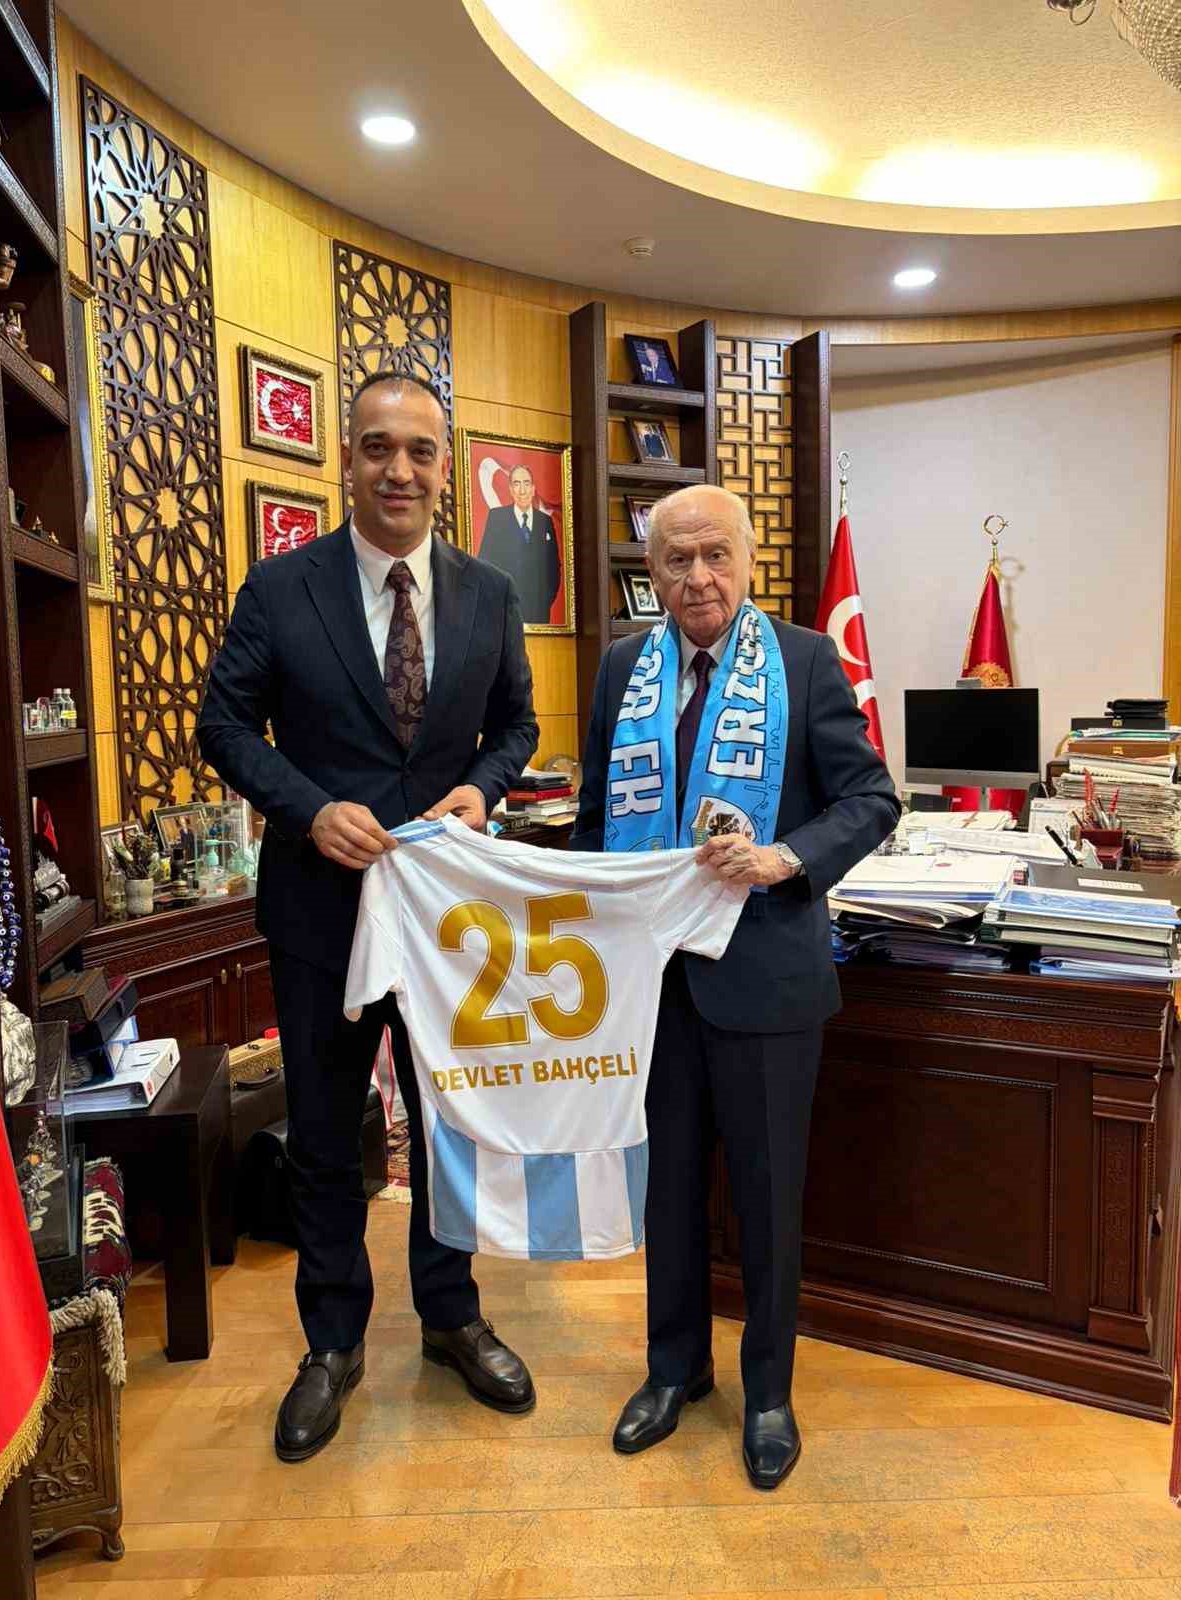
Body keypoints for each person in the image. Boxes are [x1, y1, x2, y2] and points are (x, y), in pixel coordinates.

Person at [198, 371, 540, 1463]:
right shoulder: (279, 588)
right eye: (378, 447)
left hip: (447, 921)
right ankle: (332, 1341)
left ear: (447, 465)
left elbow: (518, 726)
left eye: (421, 451)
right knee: (326, 1136)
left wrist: (482, 787)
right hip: (321, 912)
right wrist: (306, 808)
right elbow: (223, 724)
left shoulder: (490, 593)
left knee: (450, 1128)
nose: (400, 470)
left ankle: (451, 1316)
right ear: (345, 459)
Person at [571, 484, 898, 1490]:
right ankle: (675, 1370)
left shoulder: (804, 660)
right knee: (667, 1192)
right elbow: (595, 817)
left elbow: (871, 798)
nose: (699, 577)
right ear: (652, 573)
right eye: (677, 559)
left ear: (748, 560)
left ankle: (768, 1394)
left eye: (716, 554)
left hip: (765, 976)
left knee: (765, 1197)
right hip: (653, 981)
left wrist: (784, 858)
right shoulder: (623, 667)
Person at [477, 464, 561, 624]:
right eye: (516, 484)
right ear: (510, 489)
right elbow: (485, 564)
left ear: (533, 489)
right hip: (504, 612)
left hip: (538, 614)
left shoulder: (545, 521)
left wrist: (544, 602)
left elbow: (554, 568)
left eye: (526, 483)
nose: (522, 490)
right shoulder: (497, 518)